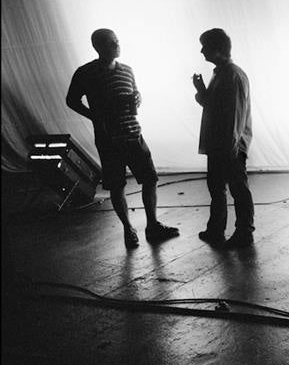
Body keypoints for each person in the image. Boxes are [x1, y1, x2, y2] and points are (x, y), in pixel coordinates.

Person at [66, 29, 179, 248]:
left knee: (150, 179)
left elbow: (135, 94)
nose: (117, 44)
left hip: (134, 134)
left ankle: (152, 225)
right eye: (111, 42)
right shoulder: (86, 72)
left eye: (117, 40)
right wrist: (95, 116)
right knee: (117, 185)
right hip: (109, 139)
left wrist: (137, 98)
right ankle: (128, 229)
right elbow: (71, 100)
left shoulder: (127, 70)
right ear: (98, 47)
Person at [192, 28, 255, 249]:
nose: (201, 51)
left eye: (205, 47)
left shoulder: (233, 75)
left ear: (217, 50)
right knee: (216, 187)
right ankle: (216, 229)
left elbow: (235, 115)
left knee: (237, 188)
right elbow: (216, 107)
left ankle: (244, 232)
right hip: (219, 144)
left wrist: (232, 146)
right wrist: (202, 92)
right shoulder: (221, 73)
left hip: (229, 145)